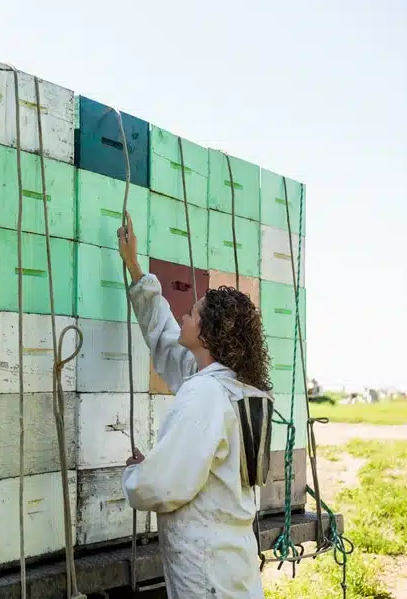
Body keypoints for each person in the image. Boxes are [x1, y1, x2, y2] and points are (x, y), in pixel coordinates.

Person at [116, 211, 273, 598]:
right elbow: (166, 340)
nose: (183, 314)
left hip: (207, 572)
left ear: (208, 333)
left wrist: (136, 474)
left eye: (192, 313)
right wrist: (136, 268)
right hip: (232, 562)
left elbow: (162, 486)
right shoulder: (237, 387)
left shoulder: (205, 395)